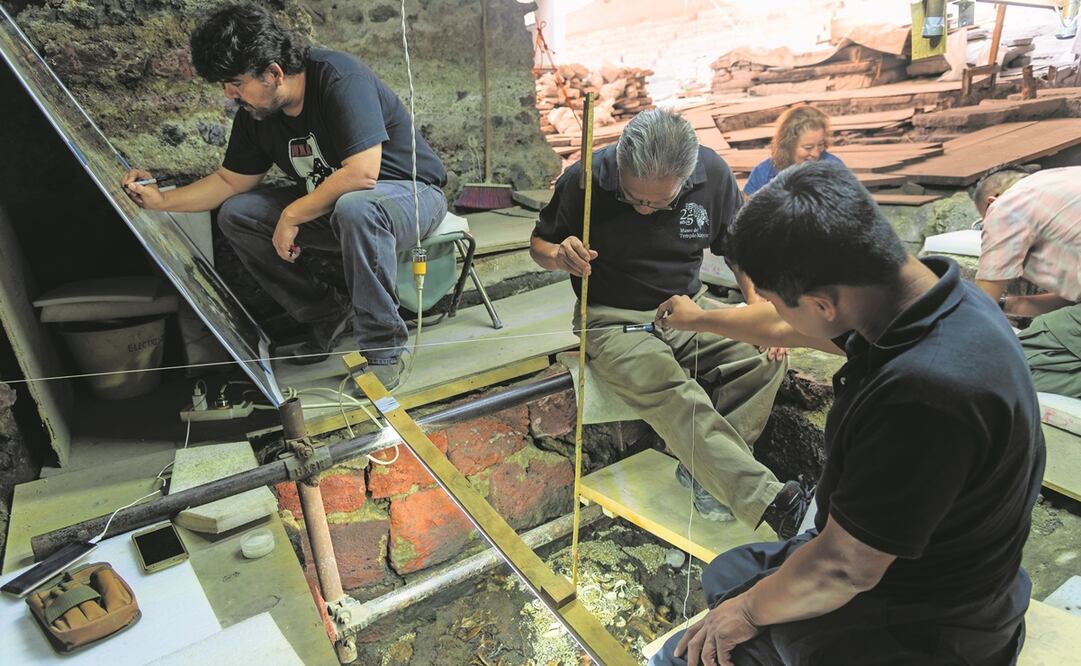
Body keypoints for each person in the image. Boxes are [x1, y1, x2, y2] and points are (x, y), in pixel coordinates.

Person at [650, 160, 1044, 666]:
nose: (774, 311)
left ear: (823, 304)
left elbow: (843, 567)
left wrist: (747, 613)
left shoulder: (924, 393)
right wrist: (700, 319)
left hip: (926, 617)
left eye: (774, 299)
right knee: (728, 575)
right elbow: (786, 327)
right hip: (932, 562)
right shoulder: (936, 297)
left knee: (687, 653)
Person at [121, 4, 448, 389]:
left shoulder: (339, 77)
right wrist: (162, 202)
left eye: (236, 82)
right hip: (343, 208)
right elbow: (229, 181)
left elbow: (362, 174)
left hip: (411, 195)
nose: (229, 94)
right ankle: (326, 312)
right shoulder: (257, 114)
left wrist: (292, 216)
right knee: (238, 213)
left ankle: (384, 349)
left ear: (274, 73)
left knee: (356, 206)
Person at [530, 108, 811, 538]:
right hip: (611, 318)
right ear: (620, 166)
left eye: (658, 202)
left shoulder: (712, 175)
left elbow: (740, 252)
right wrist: (557, 256)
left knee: (764, 360)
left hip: (686, 309)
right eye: (633, 197)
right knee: (674, 392)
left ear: (686, 178)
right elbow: (539, 244)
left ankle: (704, 475)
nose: (644, 210)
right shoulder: (585, 178)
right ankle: (769, 501)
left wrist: (758, 316)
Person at [972, 165, 1081, 399]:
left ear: (992, 202)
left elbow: (979, 311)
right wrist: (1005, 305)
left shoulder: (1008, 205)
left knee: (1003, 369)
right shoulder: (1059, 182)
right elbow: (1071, 302)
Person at [742, 105, 845, 197]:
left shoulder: (834, 168)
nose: (816, 153)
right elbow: (745, 212)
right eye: (808, 147)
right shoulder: (763, 173)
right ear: (788, 145)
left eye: (820, 145)